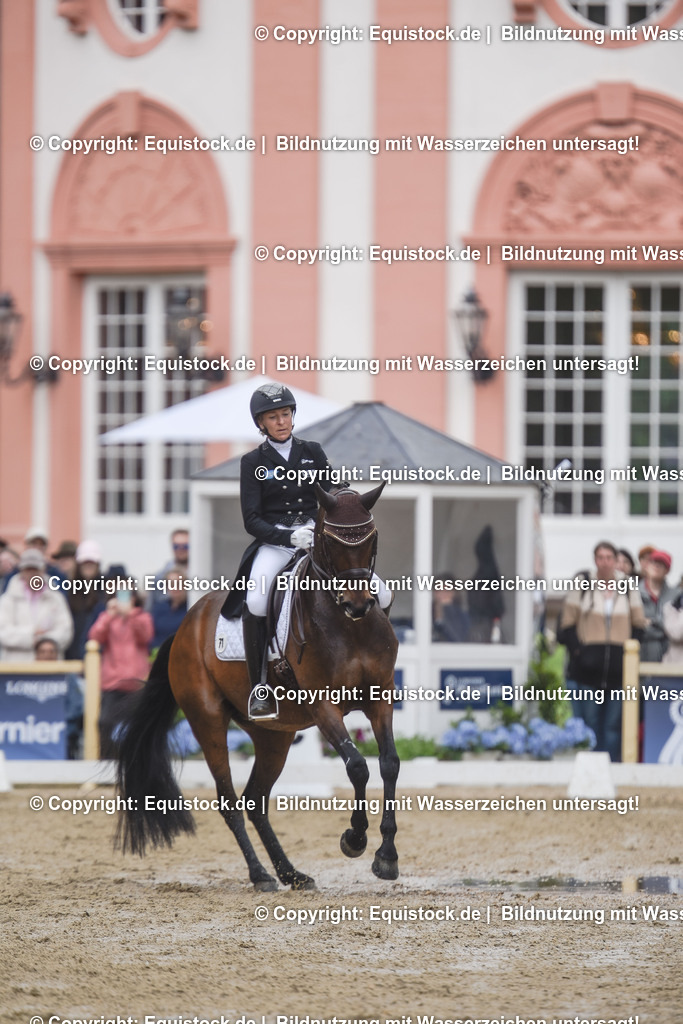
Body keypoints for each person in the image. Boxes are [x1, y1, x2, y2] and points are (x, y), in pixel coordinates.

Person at [222, 382, 391, 720]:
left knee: (382, 594)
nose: (282, 421)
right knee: (256, 600)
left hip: (319, 540)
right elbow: (251, 520)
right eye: (273, 417)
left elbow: (333, 489)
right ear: (262, 423)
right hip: (277, 543)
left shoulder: (312, 451)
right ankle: (260, 687)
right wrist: (287, 539)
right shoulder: (252, 461)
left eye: (286, 414)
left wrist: (348, 500)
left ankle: (377, 670)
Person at [558, 541, 646, 762]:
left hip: (618, 670)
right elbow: (568, 623)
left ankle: (613, 767)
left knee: (613, 725)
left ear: (616, 561)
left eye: (610, 558)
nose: (605, 562)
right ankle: (589, 768)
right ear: (595, 560)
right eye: (601, 557)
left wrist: (628, 653)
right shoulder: (584, 582)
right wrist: (579, 651)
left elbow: (638, 624)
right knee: (591, 722)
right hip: (588, 669)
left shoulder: (628, 586)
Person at [88, 579, 153, 758]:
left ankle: (137, 762)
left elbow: (145, 636)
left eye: (127, 595)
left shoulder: (142, 617)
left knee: (137, 726)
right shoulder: (108, 618)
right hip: (113, 683)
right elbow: (95, 636)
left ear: (134, 598)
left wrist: (130, 615)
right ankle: (107, 762)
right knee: (105, 723)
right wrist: (109, 615)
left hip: (136, 683)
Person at [0, 549, 74, 660]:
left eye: (36, 569)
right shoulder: (8, 599)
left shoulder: (56, 598)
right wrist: (32, 635)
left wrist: (44, 642)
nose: (32, 573)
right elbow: (3, 632)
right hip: (16, 669)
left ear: (43, 570)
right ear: (21, 571)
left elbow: (65, 631)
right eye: (28, 569)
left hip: (49, 668)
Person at [65, 540, 108, 660]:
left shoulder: (106, 591)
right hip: (72, 658)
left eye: (92, 563)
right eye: (85, 563)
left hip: (99, 658)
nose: (88, 566)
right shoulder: (69, 592)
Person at [639, 549, 675, 663]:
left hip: (668, 658)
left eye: (661, 564)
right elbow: (634, 626)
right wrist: (663, 626)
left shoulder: (676, 595)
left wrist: (650, 622)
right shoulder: (633, 593)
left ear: (667, 570)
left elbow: (676, 629)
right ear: (646, 566)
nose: (656, 566)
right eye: (653, 562)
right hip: (640, 656)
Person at [151, 568, 188, 650]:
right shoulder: (159, 608)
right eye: (171, 584)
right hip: (158, 656)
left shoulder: (190, 609)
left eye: (178, 583)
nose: (175, 587)